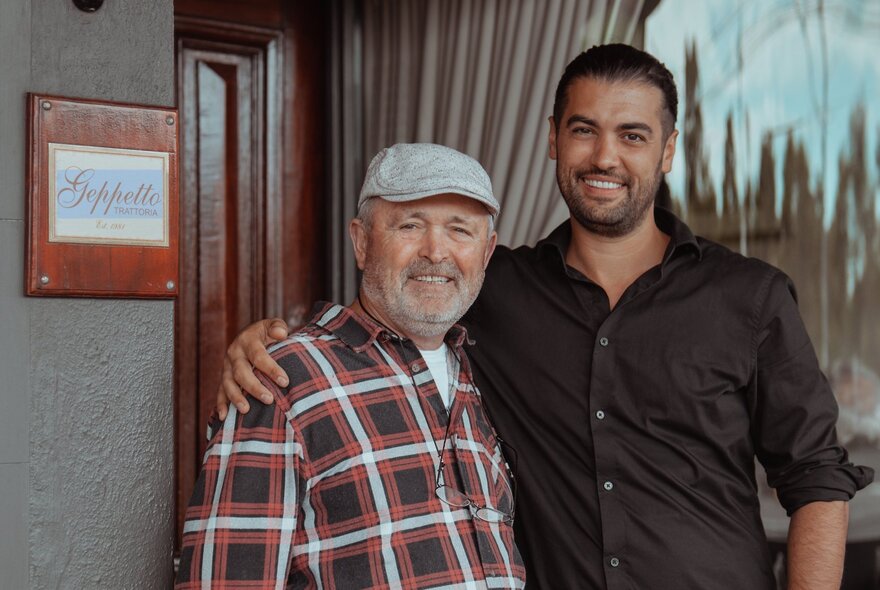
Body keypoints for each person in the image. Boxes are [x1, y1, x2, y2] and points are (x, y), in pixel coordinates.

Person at [216, 45, 873, 589]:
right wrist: (268, 338)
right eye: (584, 129)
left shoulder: (750, 297)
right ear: (553, 139)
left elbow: (814, 477)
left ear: (668, 151)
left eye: (633, 135)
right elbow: (393, 297)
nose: (605, 157)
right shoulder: (493, 288)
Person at [175, 143, 526, 588]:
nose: (436, 251)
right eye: (411, 225)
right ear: (361, 242)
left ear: (487, 252)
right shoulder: (285, 379)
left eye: (460, 230)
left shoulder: (486, 374)